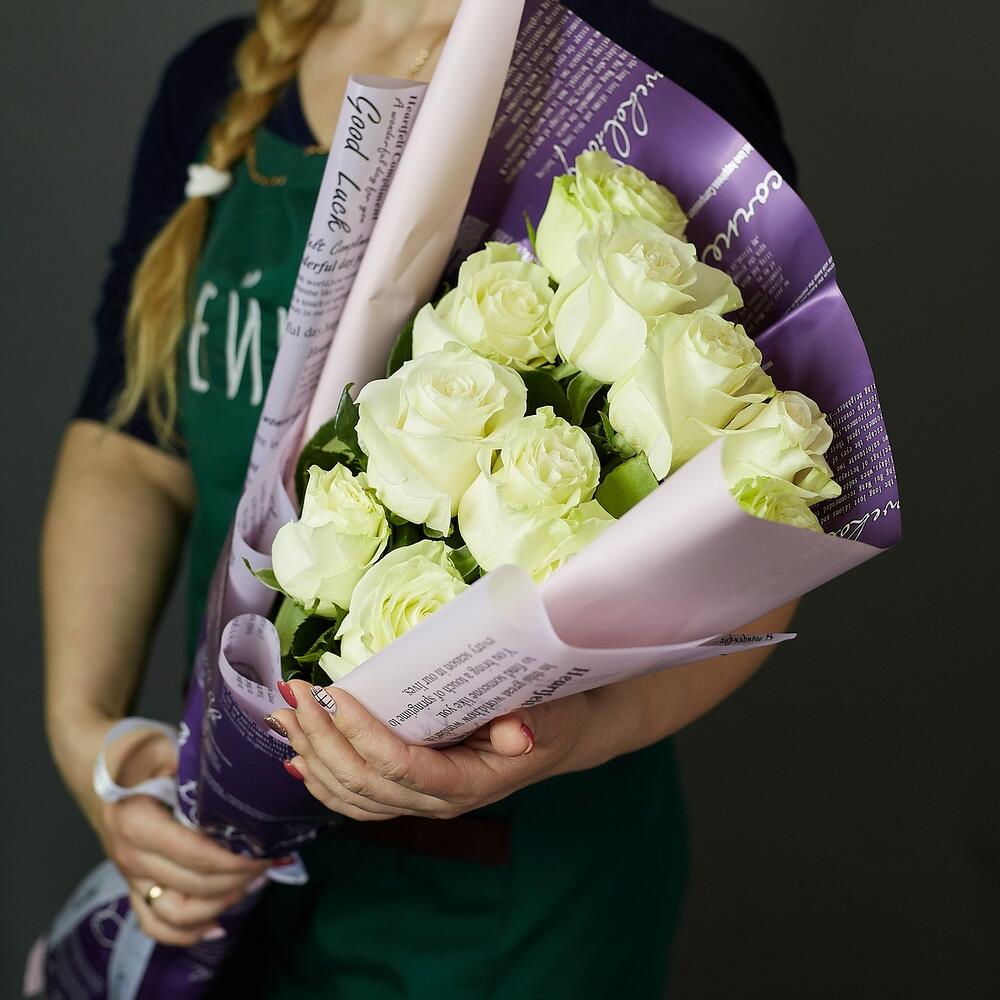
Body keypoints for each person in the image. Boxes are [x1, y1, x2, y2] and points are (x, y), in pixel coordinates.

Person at [42, 1, 799, 995]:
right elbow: (136, 447)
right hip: (225, 865)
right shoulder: (217, 78)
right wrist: (90, 737)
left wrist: (568, 738)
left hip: (502, 910)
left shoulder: (651, 86)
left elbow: (760, 558)